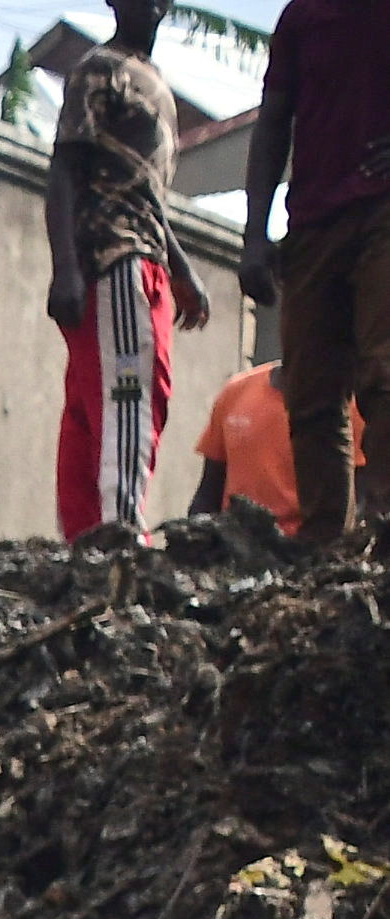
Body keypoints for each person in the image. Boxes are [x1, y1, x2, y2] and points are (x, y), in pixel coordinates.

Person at [51, 0, 215, 546]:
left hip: (145, 258)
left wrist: (182, 269)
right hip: (116, 264)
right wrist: (66, 269)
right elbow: (64, 170)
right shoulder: (100, 70)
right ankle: (118, 539)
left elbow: (146, 196)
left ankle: (87, 544)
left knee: (99, 403)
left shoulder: (158, 87)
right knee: (127, 399)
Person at [246, 0, 390, 544]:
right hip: (313, 221)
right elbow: (273, 120)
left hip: (384, 210)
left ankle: (382, 527)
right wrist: (254, 234)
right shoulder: (302, 16)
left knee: (384, 371)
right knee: (310, 390)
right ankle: (326, 540)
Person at [189, 356, 359, 529]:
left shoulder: (356, 408)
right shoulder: (236, 391)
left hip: (308, 548)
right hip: (234, 544)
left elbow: (364, 504)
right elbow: (208, 493)